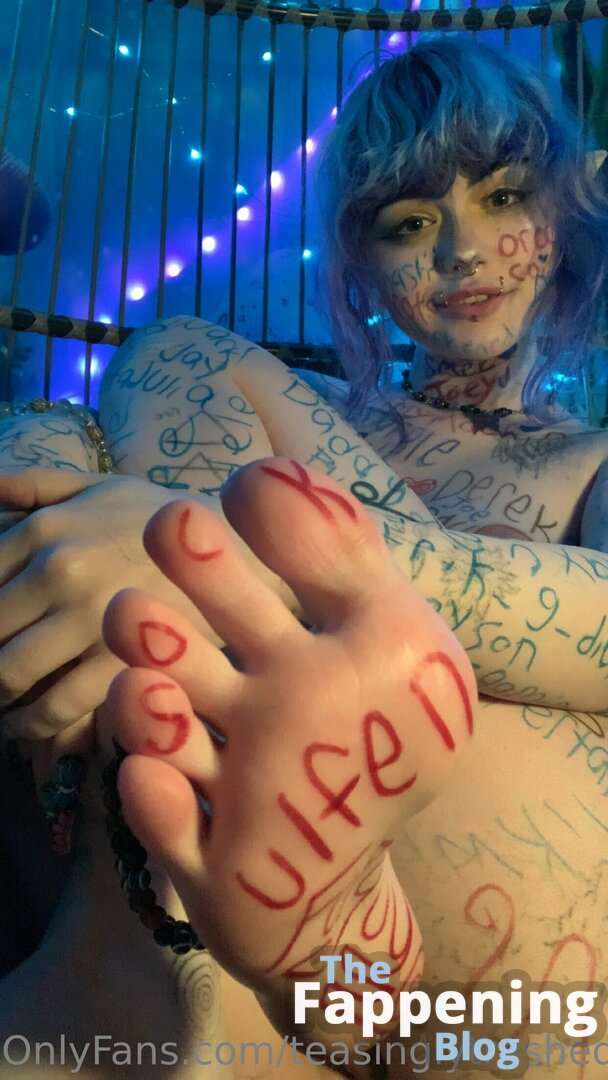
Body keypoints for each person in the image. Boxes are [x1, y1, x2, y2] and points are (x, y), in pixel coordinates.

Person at [1, 34, 607, 1077]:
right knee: (173, 358)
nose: (462, 252)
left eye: (505, 198)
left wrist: (223, 552)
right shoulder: (283, 405)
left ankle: (235, 971)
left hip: (507, 881)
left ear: (564, 214)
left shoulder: (589, 458)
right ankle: (253, 973)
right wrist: (43, 459)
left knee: (183, 363)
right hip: (234, 886)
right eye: (410, 222)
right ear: (359, 260)